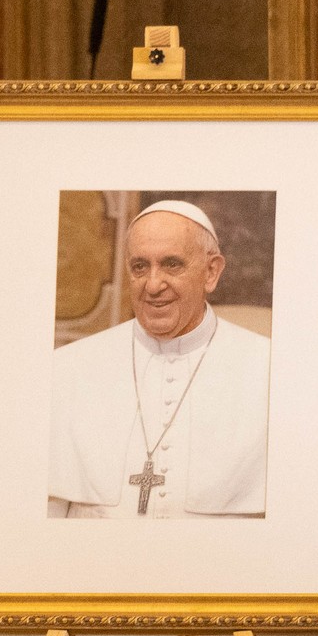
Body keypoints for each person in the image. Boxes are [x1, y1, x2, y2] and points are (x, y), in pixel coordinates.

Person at [47, 199, 272, 519]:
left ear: (211, 272)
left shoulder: (268, 371)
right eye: (140, 267)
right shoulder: (68, 368)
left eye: (172, 264)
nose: (153, 285)